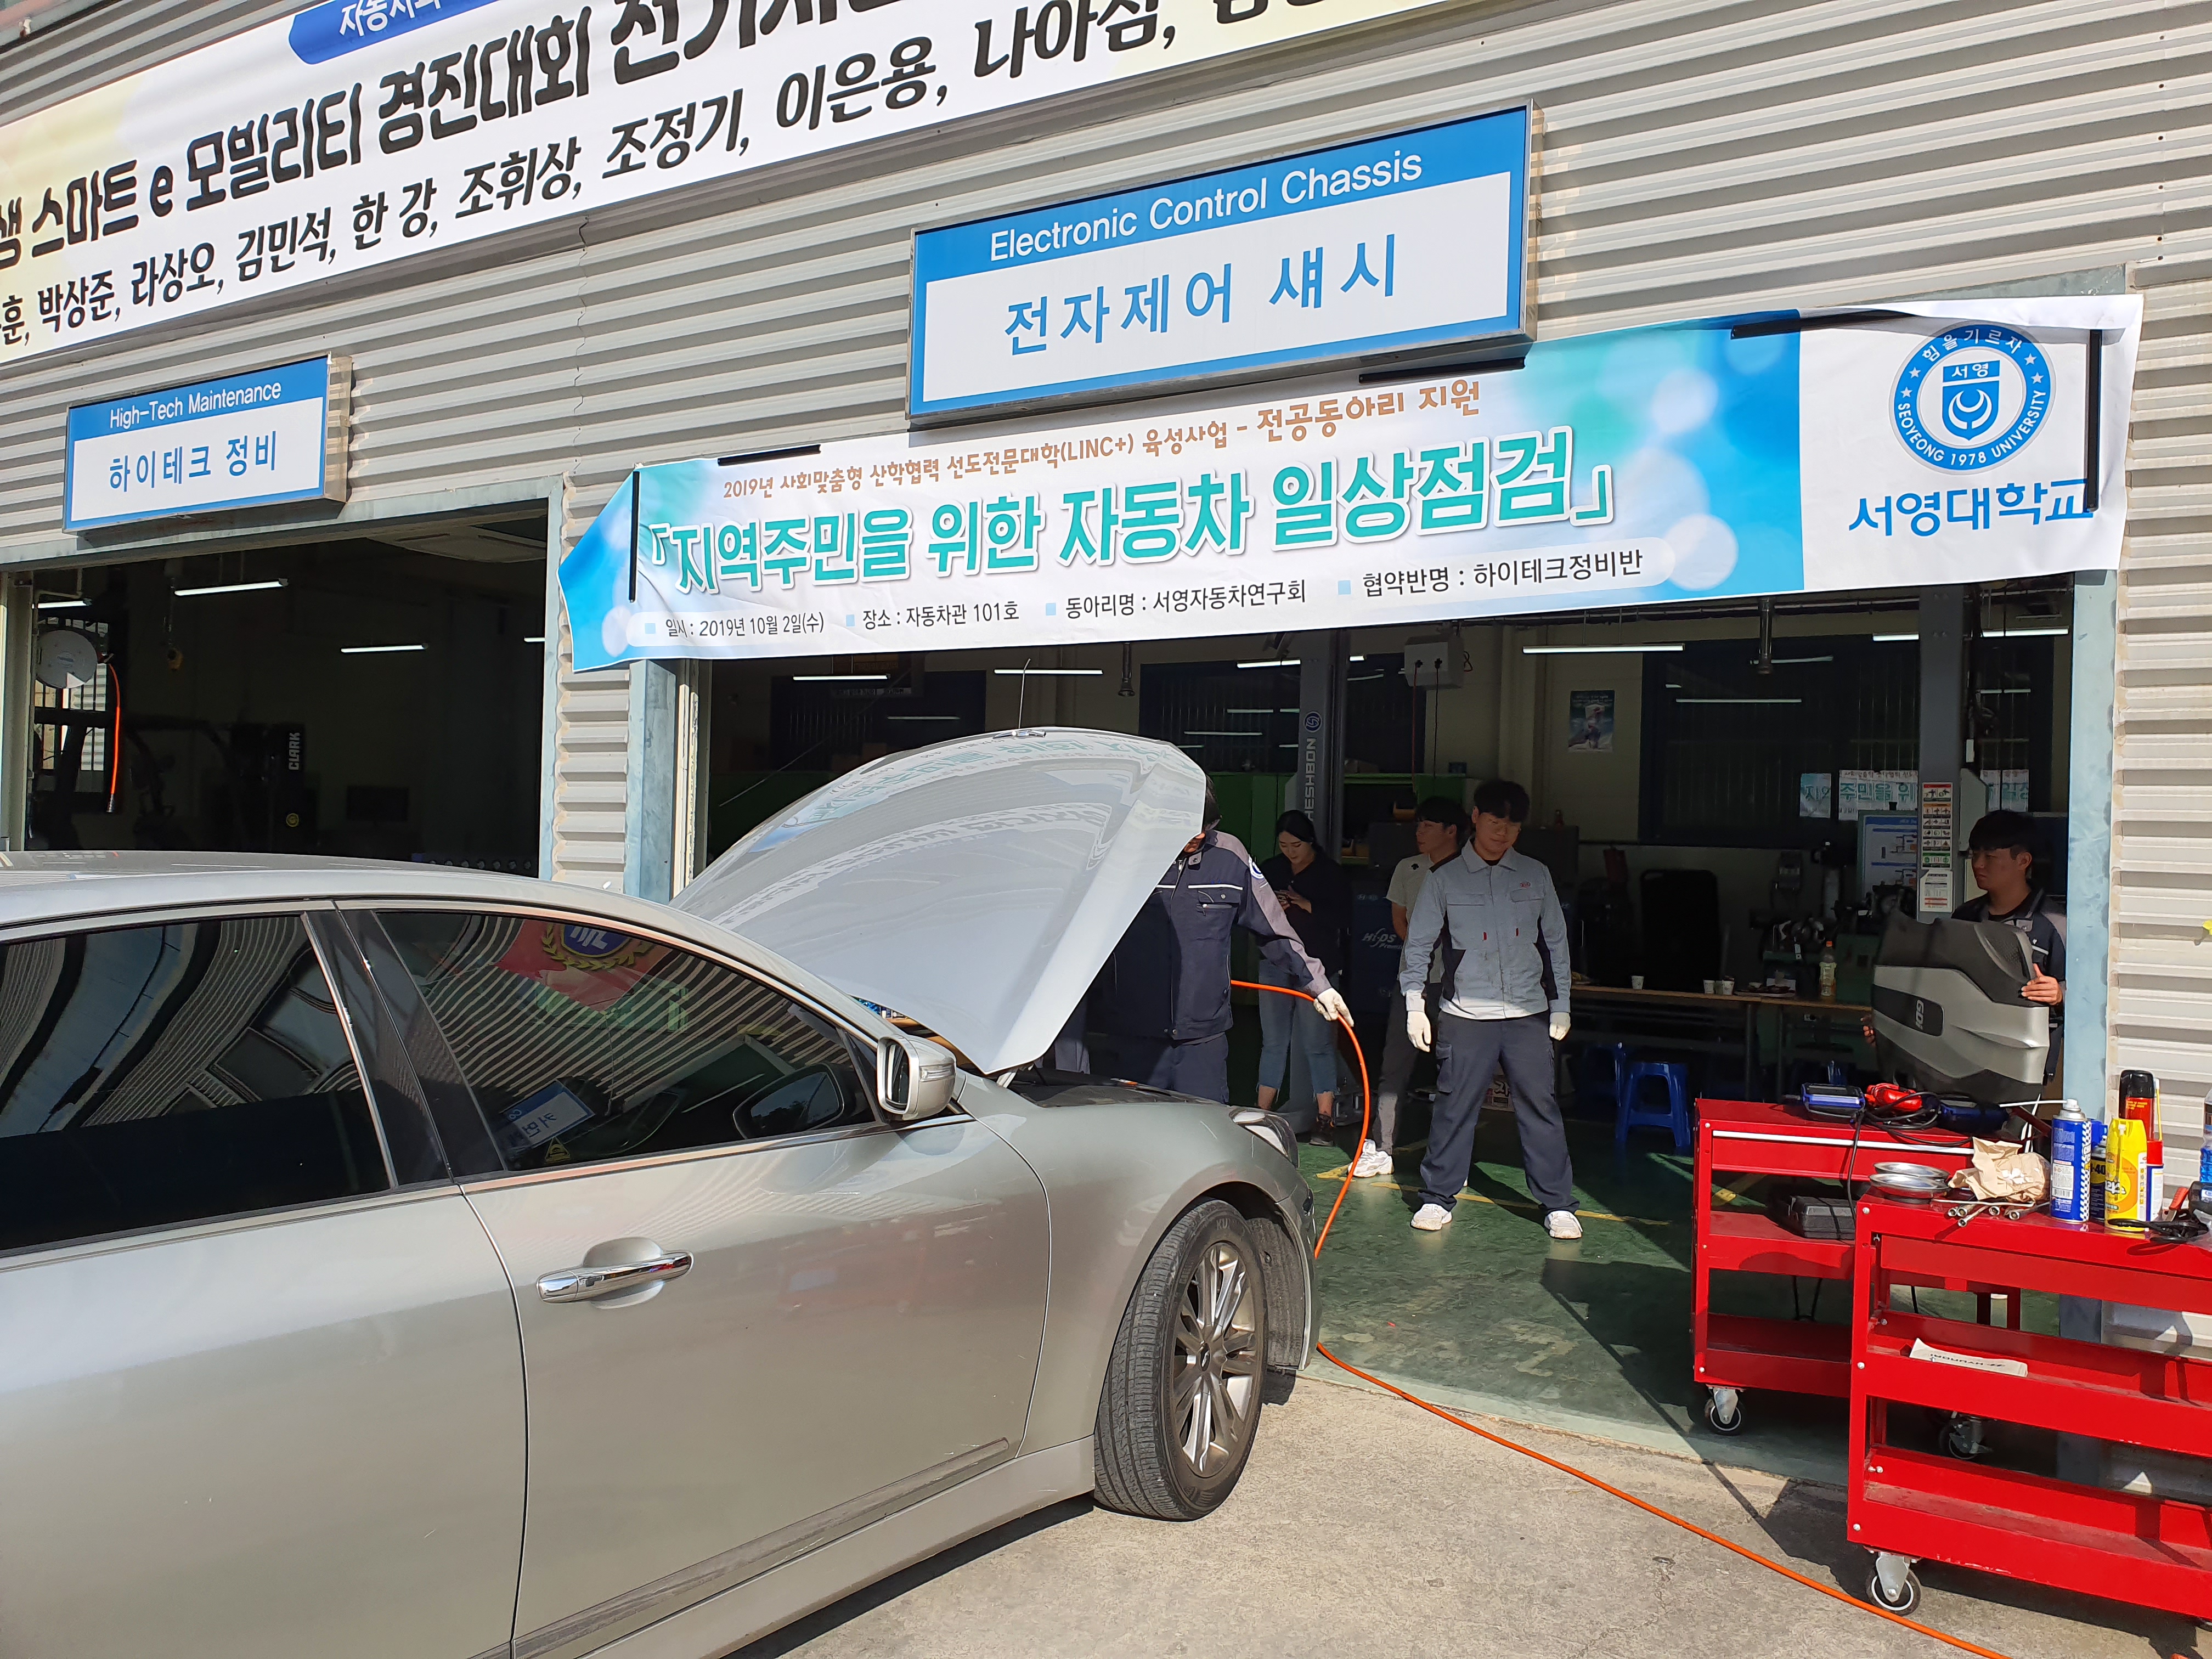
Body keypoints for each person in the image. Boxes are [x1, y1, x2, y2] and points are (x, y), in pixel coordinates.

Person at [1087, 785, 1352, 1104]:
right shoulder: (1126, 855)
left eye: (1207, 826)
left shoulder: (1231, 856)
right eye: (1189, 827)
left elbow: (1274, 929)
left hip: (1203, 1039)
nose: (1199, 835)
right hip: (1134, 1032)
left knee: (1205, 1127)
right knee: (1134, 1126)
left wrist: (1319, 985)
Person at [1398, 778, 1581, 1239]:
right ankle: (1438, 1196)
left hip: (1527, 1012)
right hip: (1466, 1014)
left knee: (1540, 1106)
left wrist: (1561, 1005)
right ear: (1475, 819)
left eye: (1513, 826)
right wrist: (1414, 1004)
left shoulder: (1535, 875)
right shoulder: (1444, 879)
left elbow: (1557, 944)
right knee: (1454, 1105)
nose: (1503, 834)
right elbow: (1418, 945)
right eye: (1496, 823)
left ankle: (1558, 1204)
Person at [1351, 797, 1469, 1179]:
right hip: (1413, 981)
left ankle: (1452, 1157)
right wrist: (1421, 949)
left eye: (1428, 826)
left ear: (1452, 831)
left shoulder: (1471, 871)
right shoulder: (1409, 867)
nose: (1420, 832)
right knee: (1393, 1068)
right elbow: (1399, 921)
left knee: (1456, 1071)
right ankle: (1381, 1147)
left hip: (1458, 985)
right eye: (1419, 825)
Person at [1257, 810, 1354, 1141]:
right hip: (1275, 961)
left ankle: (1325, 1119)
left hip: (1317, 967)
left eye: (1296, 845)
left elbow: (1344, 918)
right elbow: (1253, 913)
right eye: (1284, 845)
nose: (1290, 852)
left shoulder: (1330, 873)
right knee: (1273, 1042)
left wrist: (1305, 904)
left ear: (1310, 841)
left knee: (1318, 1043)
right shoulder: (1271, 869)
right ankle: (1261, 1113)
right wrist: (1275, 906)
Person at [1957, 809, 2066, 1004]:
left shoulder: (2055, 925)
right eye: (1975, 854)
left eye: (1990, 857)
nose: (1978, 864)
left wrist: (2059, 995)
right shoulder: (1964, 917)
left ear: (2023, 861)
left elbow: (2087, 994)